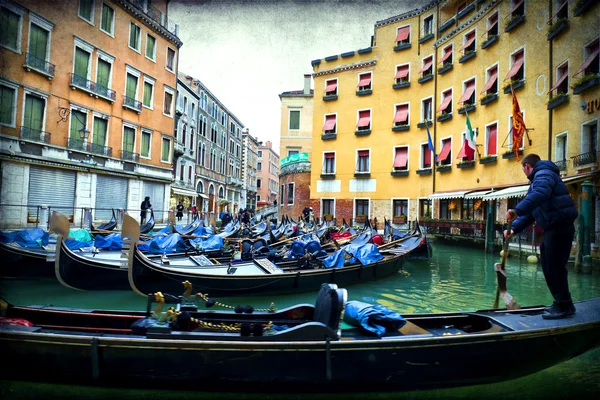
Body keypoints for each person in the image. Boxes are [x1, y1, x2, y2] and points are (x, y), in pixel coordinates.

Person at [504, 153, 578, 320]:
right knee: (548, 264)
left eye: (523, 169)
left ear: (528, 167)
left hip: (560, 227)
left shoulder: (543, 175)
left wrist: (516, 210)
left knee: (554, 266)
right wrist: (514, 229)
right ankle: (561, 302)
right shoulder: (538, 181)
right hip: (553, 228)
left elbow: (540, 195)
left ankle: (565, 305)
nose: (524, 172)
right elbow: (532, 210)